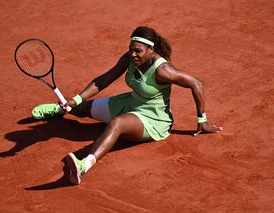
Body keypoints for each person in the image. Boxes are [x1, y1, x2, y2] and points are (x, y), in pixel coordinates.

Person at [31, 26, 222, 185]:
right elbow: (104, 79)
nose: (133, 54)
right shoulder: (129, 58)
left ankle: (83, 166)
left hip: (152, 118)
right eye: (131, 49)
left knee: (117, 124)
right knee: (80, 109)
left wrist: (201, 121)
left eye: (138, 50)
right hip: (129, 103)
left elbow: (197, 84)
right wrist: (76, 99)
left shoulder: (164, 70)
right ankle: (59, 109)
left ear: (151, 50)